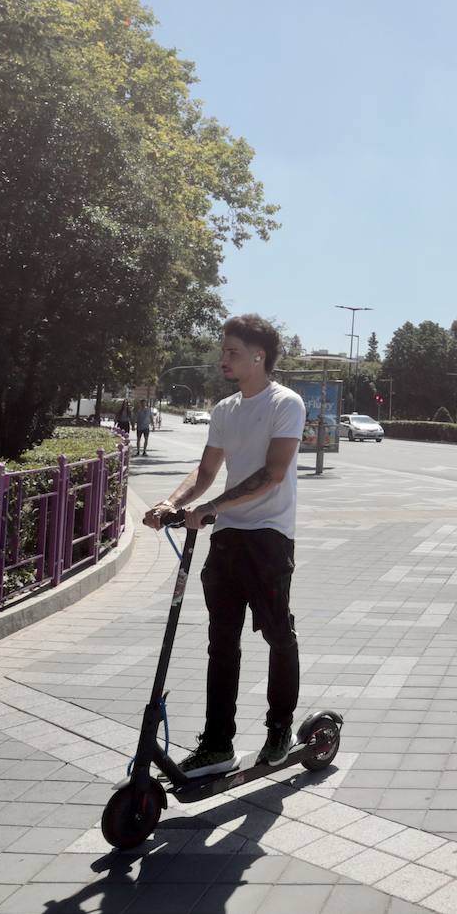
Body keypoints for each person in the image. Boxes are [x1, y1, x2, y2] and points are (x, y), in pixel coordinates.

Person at [144, 315, 306, 777]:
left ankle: (280, 727)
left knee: (278, 634)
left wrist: (213, 507)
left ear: (260, 356)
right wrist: (170, 503)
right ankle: (218, 744)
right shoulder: (225, 409)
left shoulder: (284, 403)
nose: (224, 359)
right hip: (228, 539)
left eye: (233, 351)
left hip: (270, 537)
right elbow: (206, 470)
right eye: (224, 350)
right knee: (222, 643)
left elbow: (273, 472)